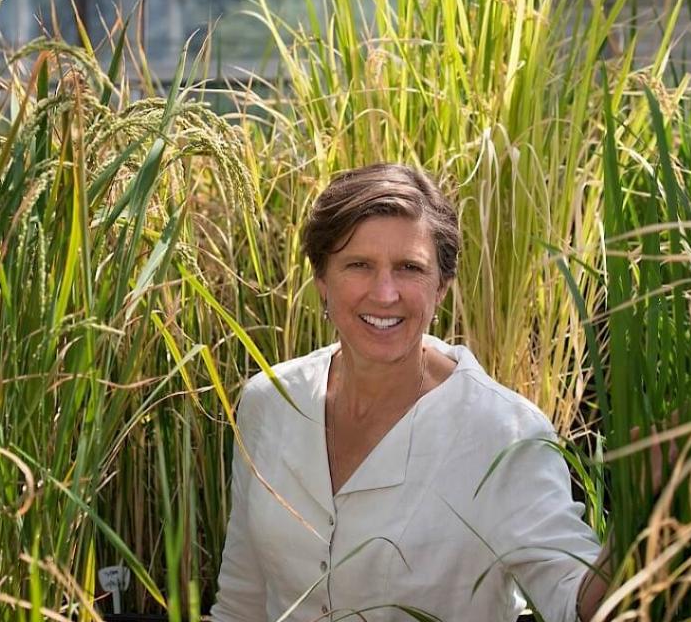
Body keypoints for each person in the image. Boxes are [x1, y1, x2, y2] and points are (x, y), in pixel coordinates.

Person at [210, 164, 610, 622]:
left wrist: (646, 516)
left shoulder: (503, 432)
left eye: (409, 268)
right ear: (322, 279)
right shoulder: (270, 401)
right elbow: (241, 602)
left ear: (441, 286)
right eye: (359, 265)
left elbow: (574, 602)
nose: (385, 294)